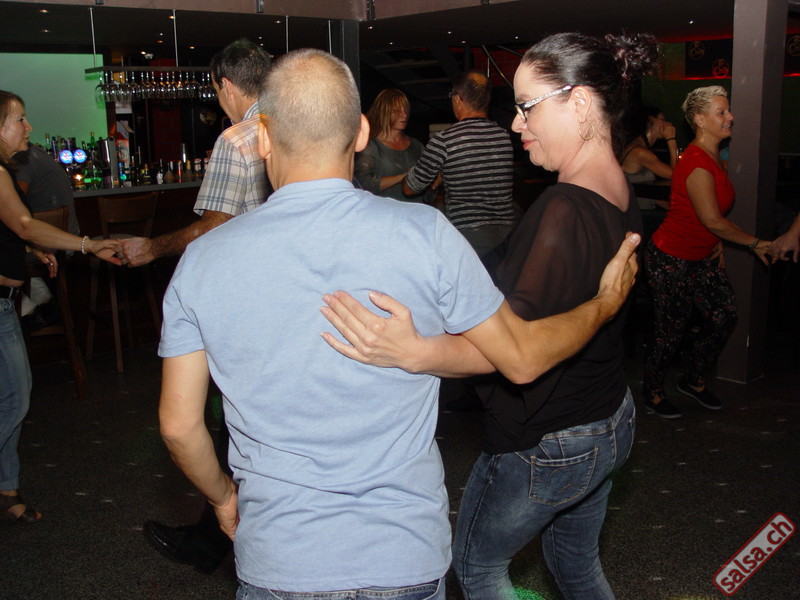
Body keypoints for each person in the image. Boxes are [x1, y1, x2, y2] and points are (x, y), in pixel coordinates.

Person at [157, 48, 640, 599]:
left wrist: (223, 497)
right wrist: (604, 303)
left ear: (262, 137)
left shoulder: (203, 261)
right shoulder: (426, 234)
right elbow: (523, 357)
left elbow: (179, 426)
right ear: (362, 133)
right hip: (402, 553)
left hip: (280, 555)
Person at [321, 31, 653, 600]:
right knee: (576, 566)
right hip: (608, 418)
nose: (517, 124)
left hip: (549, 438)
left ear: (578, 102)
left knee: (478, 569)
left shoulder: (564, 207)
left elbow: (513, 353)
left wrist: (416, 352)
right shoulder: (618, 188)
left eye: (527, 107)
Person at [116, 39, 272, 573]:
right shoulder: (295, 126)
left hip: (247, 295)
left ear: (225, 85)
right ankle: (225, 531)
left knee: (235, 416)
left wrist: (152, 248)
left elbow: (214, 228)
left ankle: (227, 532)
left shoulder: (236, 137)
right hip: (296, 292)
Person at [0, 90, 120, 523]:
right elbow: (24, 222)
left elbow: (16, 229)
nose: (28, 127)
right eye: (19, 119)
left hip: (7, 303)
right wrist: (88, 244)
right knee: (14, 399)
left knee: (11, 398)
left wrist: (31, 247)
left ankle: (7, 492)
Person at [643, 86, 772, 419]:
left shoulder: (712, 155)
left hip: (701, 256)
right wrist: (755, 243)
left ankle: (692, 378)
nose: (730, 117)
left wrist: (716, 241)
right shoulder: (696, 161)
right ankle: (652, 391)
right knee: (671, 330)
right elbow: (712, 219)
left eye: (728, 110)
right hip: (671, 257)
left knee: (724, 315)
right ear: (700, 120)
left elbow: (708, 215)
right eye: (721, 112)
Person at [403, 70, 515, 258]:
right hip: (507, 234)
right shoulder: (503, 136)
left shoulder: (445, 140)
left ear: (457, 98)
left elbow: (410, 188)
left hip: (469, 235)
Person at [14, 143, 80, 331]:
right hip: (59, 241)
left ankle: (28, 311)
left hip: (48, 243)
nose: (28, 128)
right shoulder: (33, 153)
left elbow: (11, 203)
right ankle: (42, 301)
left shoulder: (20, 158)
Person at [354, 89, 428, 201]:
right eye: (397, 111)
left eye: (406, 110)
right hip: (383, 210)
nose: (404, 115)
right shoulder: (371, 146)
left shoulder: (417, 146)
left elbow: (427, 196)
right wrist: (403, 177)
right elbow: (364, 185)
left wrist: (434, 183)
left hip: (415, 209)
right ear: (384, 112)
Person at [621, 105, 678, 184]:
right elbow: (676, 175)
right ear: (650, 120)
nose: (668, 124)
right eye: (662, 120)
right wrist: (671, 139)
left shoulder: (638, 147)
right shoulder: (639, 152)